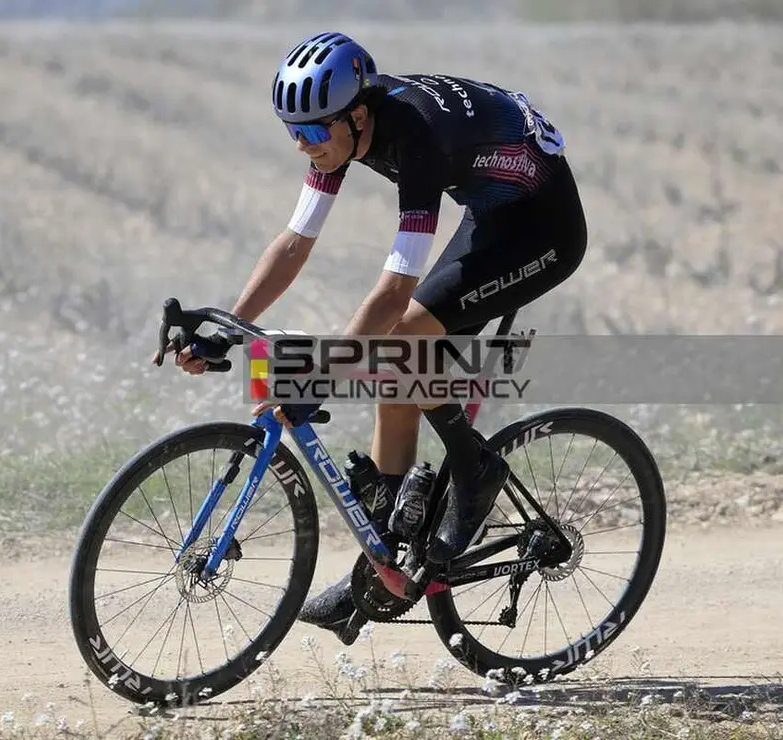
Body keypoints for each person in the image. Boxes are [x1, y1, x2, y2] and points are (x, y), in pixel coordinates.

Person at [172, 31, 588, 644]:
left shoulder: (415, 140)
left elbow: (394, 292)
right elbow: (294, 245)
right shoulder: (339, 134)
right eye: (292, 131)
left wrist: (320, 376)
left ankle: (475, 471)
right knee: (396, 368)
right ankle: (384, 562)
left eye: (313, 132)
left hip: (543, 230)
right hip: (491, 211)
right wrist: (227, 327)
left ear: (358, 117)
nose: (303, 144)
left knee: (402, 336)